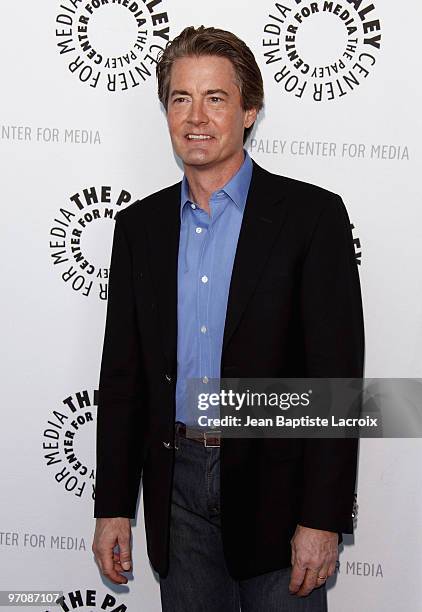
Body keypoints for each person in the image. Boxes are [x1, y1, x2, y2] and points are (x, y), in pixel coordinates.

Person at [92, 25, 365, 611]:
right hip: (177, 489)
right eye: (180, 98)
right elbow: (122, 382)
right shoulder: (138, 229)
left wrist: (321, 518)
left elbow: (337, 384)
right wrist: (113, 505)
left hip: (279, 488)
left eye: (215, 98)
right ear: (165, 111)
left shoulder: (312, 217)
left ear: (249, 112)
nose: (196, 117)